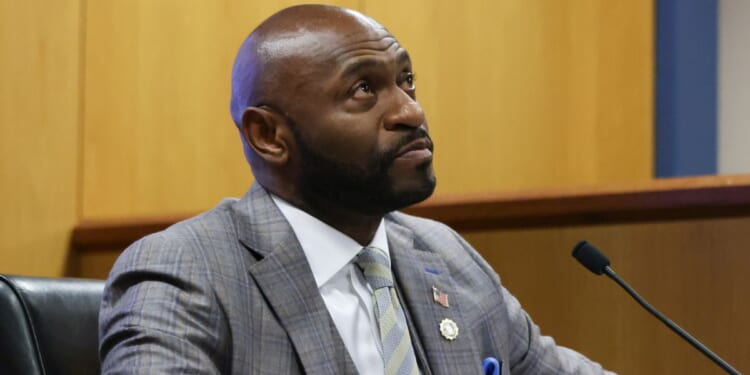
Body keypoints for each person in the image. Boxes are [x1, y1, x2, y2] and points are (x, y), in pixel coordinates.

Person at [98, 4, 615, 375]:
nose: (410, 112)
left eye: (406, 81)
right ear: (269, 136)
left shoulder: (446, 257)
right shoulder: (185, 273)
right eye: (363, 90)